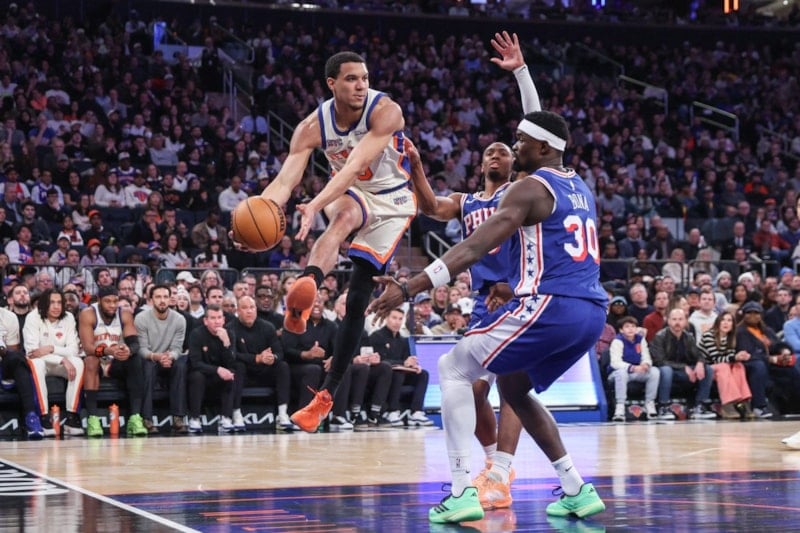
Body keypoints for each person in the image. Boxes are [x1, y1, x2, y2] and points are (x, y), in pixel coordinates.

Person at [369, 109, 607, 523]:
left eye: (520, 141)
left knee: (453, 367)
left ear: (542, 148)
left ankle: (462, 490)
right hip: (591, 313)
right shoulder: (579, 186)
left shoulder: (527, 189)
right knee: (513, 386)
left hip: (548, 304)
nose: (514, 146)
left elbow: (473, 248)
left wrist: (409, 287)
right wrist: (522, 77)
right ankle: (575, 488)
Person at [239, 51, 416, 433]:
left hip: (393, 200)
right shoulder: (310, 127)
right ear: (331, 83)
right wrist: (259, 213)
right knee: (343, 218)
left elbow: (353, 166)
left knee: (356, 300)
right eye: (351, 79)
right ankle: (309, 285)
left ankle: (326, 395)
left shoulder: (387, 111)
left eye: (364, 78)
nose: (361, 85)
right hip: (350, 193)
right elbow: (285, 181)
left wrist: (314, 204)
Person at [78, 286, 148, 438]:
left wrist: (128, 350)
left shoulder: (125, 315)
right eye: (107, 301)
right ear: (99, 301)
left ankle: (135, 418)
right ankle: (93, 419)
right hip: (96, 358)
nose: (112, 305)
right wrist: (108, 351)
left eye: (115, 301)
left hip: (115, 361)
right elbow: (88, 348)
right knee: (91, 360)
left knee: (135, 359)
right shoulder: (88, 314)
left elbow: (134, 343)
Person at [22, 288, 85, 437]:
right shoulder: (32, 317)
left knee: (78, 362)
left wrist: (51, 348)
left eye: (59, 303)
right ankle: (43, 417)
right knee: (37, 363)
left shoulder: (68, 317)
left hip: (60, 362)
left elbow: (73, 349)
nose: (56, 306)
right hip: (42, 363)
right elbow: (32, 352)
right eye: (52, 303)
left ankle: (72, 418)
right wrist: (61, 358)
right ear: (44, 304)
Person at [228, 295, 294, 431]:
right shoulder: (230, 328)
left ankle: (282, 413)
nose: (249, 311)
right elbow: (232, 355)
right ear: (238, 311)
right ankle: (236, 413)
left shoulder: (267, 327)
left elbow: (279, 352)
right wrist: (256, 358)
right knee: (238, 366)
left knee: (282, 366)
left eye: (252, 307)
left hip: (264, 371)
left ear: (256, 309)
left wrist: (272, 357)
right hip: (244, 373)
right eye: (244, 308)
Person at [135, 284, 189, 434]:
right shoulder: (141, 318)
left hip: (169, 359)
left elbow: (177, 348)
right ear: (151, 299)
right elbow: (142, 349)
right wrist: (156, 357)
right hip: (151, 358)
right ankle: (147, 418)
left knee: (181, 366)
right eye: (158, 297)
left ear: (170, 299)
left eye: (165, 297)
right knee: (147, 367)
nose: (162, 300)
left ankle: (178, 418)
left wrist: (169, 357)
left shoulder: (179, 319)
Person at [368, 307, 434, 427]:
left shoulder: (403, 341)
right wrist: (403, 363)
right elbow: (379, 361)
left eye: (400, 319)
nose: (397, 322)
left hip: (401, 374)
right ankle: (392, 411)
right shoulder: (376, 337)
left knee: (423, 374)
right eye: (394, 318)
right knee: (397, 373)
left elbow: (406, 361)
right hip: (383, 376)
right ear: (386, 318)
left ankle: (416, 412)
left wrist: (413, 366)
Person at [649, 308, 717, 420]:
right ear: (668, 321)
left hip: (684, 372)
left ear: (685, 321)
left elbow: (698, 354)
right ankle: (663, 407)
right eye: (674, 319)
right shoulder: (660, 336)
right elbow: (659, 360)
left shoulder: (688, 336)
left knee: (708, 369)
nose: (677, 322)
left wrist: (700, 363)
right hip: (668, 371)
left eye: (680, 319)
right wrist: (683, 367)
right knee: (666, 370)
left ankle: (699, 406)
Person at [186, 304, 245, 434]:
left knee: (232, 372)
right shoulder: (196, 334)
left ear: (224, 320)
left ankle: (226, 418)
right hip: (203, 375)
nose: (217, 321)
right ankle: (194, 418)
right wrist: (217, 370)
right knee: (197, 376)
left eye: (219, 318)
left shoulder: (229, 334)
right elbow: (195, 363)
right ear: (205, 321)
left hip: (220, 377)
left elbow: (231, 363)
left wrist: (226, 343)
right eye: (213, 318)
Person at [698, 311, 753, 419]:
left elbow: (730, 357)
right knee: (723, 367)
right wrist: (735, 357)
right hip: (706, 368)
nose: (725, 323)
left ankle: (743, 401)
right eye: (723, 320)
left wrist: (740, 357)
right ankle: (727, 404)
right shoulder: (709, 335)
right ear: (717, 322)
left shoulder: (731, 337)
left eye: (729, 320)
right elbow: (716, 359)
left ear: (733, 325)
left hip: (723, 367)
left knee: (738, 366)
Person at [607, 316, 659, 421]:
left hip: (637, 371)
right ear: (621, 330)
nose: (630, 329)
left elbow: (646, 356)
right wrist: (632, 367)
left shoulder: (640, 340)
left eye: (633, 326)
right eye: (627, 326)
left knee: (654, 371)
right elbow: (615, 362)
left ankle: (649, 403)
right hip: (618, 373)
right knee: (621, 373)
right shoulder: (617, 341)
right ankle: (620, 407)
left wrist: (645, 364)